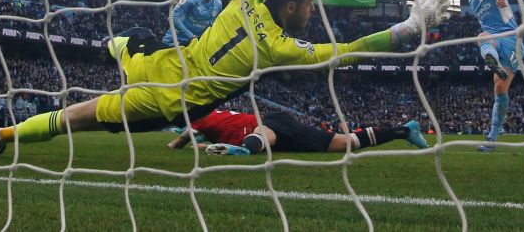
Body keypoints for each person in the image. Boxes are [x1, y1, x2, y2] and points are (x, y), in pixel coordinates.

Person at [0, 0, 451, 157]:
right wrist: (409, 27)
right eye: (310, 2)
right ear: (290, 7)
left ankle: (4, 131)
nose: (314, 10)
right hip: (166, 98)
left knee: (120, 40)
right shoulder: (280, 49)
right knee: (75, 117)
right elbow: (346, 51)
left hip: (156, 59)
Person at [166, 109, 428, 155]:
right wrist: (203, 145)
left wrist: (177, 143)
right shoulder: (212, 119)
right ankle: (404, 131)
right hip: (278, 133)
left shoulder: (197, 119)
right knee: (343, 144)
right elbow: (205, 138)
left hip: (271, 124)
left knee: (263, 134)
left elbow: (181, 140)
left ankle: (246, 150)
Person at [458, 0, 522, 152]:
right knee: (499, 88)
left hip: (511, 39)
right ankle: (492, 139)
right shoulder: (471, 1)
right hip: (494, 41)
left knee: (482, 38)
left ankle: (492, 59)